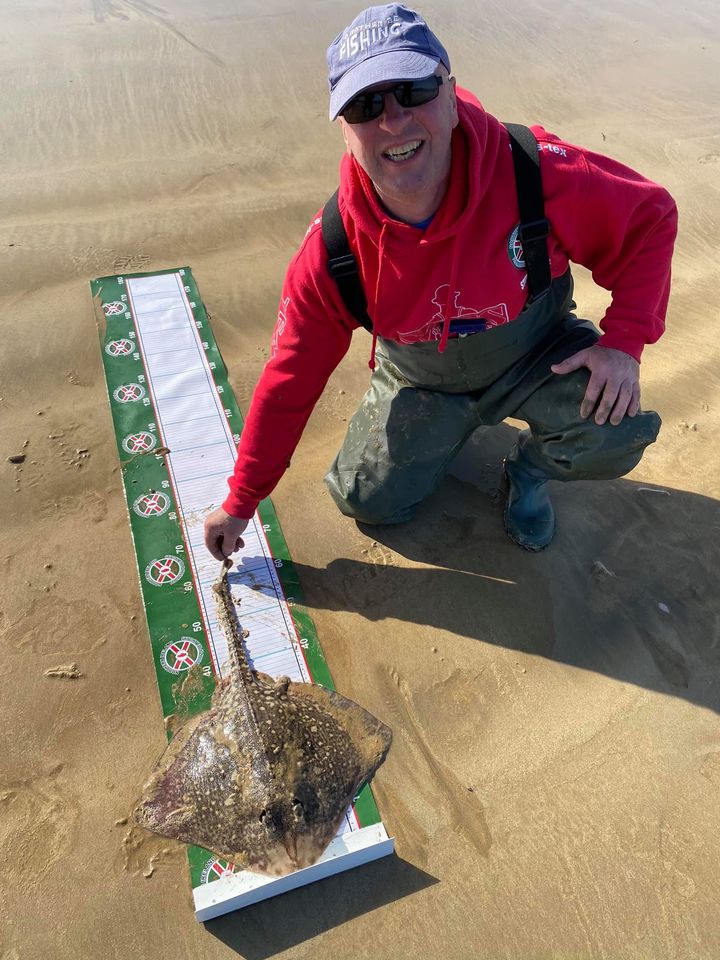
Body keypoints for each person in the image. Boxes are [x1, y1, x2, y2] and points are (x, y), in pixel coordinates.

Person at [204, 3, 677, 560]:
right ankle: (443, 432)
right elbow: (288, 381)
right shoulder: (333, 249)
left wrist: (624, 342)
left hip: (537, 355)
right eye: (365, 103)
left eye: (414, 89)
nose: (394, 119)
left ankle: (527, 470)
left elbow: (650, 218)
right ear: (345, 130)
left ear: (451, 94)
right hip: (420, 379)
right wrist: (241, 501)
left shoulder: (533, 169)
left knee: (614, 431)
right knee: (364, 500)